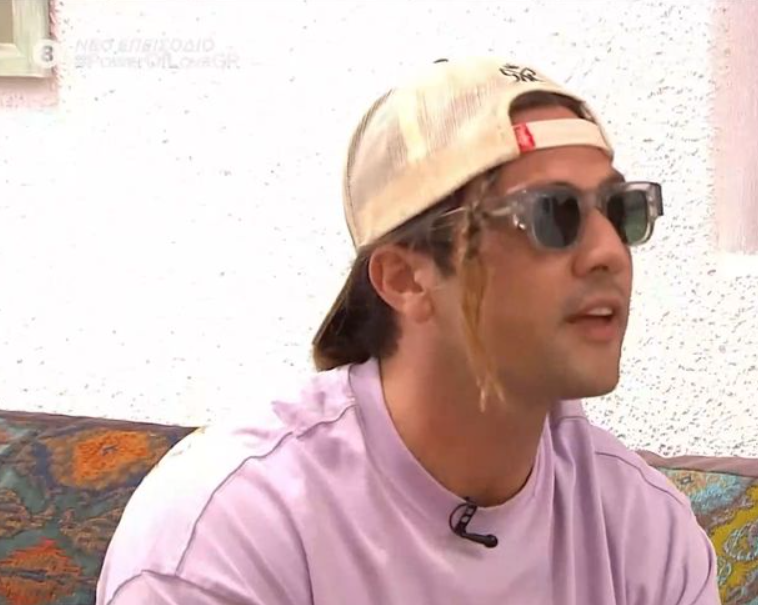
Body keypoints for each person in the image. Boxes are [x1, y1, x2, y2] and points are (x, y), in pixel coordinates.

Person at [97, 56, 721, 605]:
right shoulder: (232, 530)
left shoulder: (642, 529)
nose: (609, 253)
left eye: (620, 210)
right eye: (550, 215)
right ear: (405, 279)